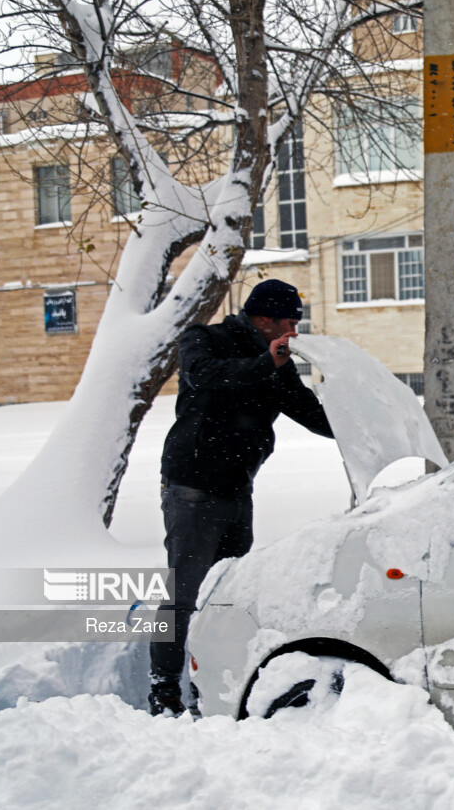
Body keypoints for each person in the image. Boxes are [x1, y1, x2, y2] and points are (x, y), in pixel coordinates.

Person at [148, 279, 334, 715]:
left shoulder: (276, 364)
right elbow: (203, 375)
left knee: (227, 594)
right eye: (289, 321)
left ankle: (207, 684)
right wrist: (264, 363)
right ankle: (163, 690)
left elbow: (309, 412)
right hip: (192, 487)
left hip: (237, 489)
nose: (295, 331)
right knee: (183, 593)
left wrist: (356, 418)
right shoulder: (205, 339)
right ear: (264, 318)